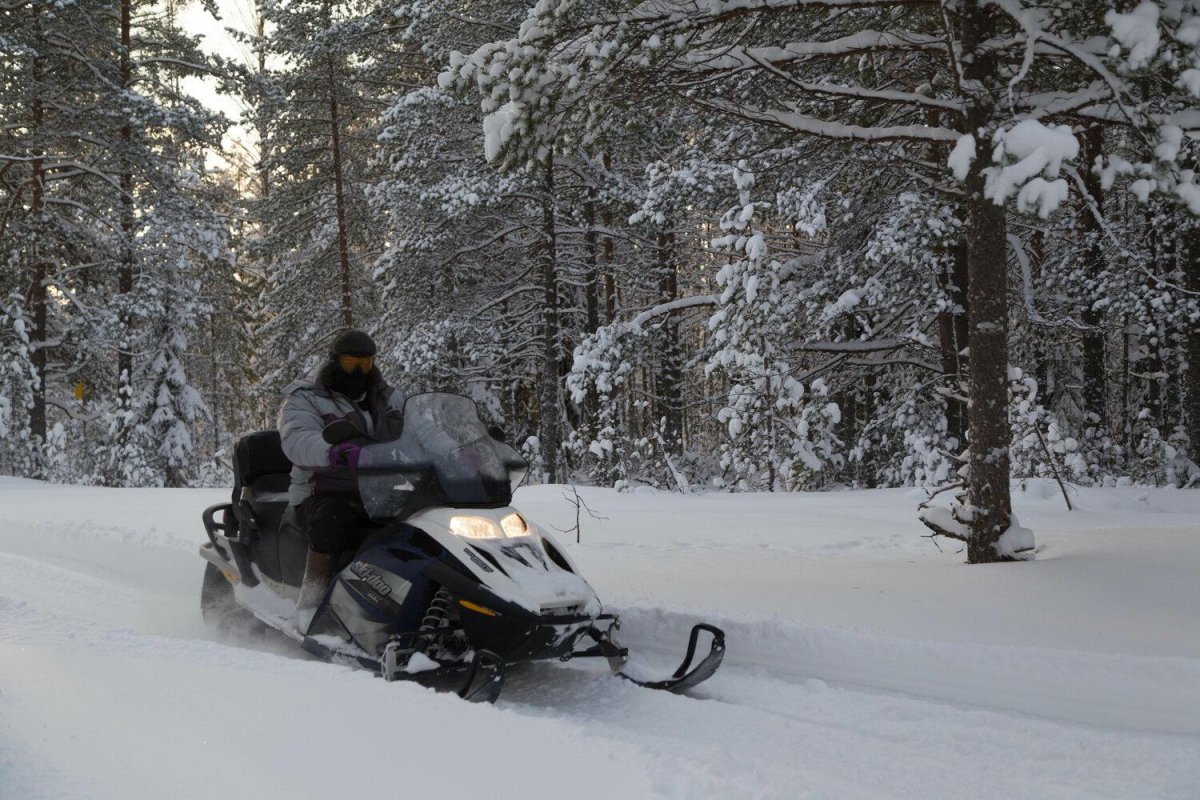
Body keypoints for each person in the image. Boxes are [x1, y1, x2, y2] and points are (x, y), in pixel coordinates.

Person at [278, 329, 408, 621]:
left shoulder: (391, 398)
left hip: (383, 491)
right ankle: (311, 608)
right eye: (352, 363)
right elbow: (297, 439)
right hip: (323, 491)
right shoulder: (306, 399)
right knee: (333, 521)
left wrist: (460, 449)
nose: (359, 371)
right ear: (335, 361)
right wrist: (334, 452)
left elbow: (425, 428)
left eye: (366, 363)